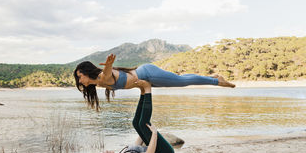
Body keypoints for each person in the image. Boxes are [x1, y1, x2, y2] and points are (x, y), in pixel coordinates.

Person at [74, 54, 235, 110]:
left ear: (88, 73)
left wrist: (108, 65)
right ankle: (214, 79)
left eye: (80, 76)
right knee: (182, 79)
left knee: (181, 81)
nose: (80, 81)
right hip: (147, 78)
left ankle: (216, 80)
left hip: (148, 73)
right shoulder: (99, 83)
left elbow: (107, 73)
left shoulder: (102, 78)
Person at [90, 81, 175, 153]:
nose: (106, 151)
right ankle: (147, 89)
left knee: (136, 123)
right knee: (143, 123)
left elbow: (136, 148)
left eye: (103, 151)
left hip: (158, 152)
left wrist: (142, 131)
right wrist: (154, 133)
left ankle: (143, 92)